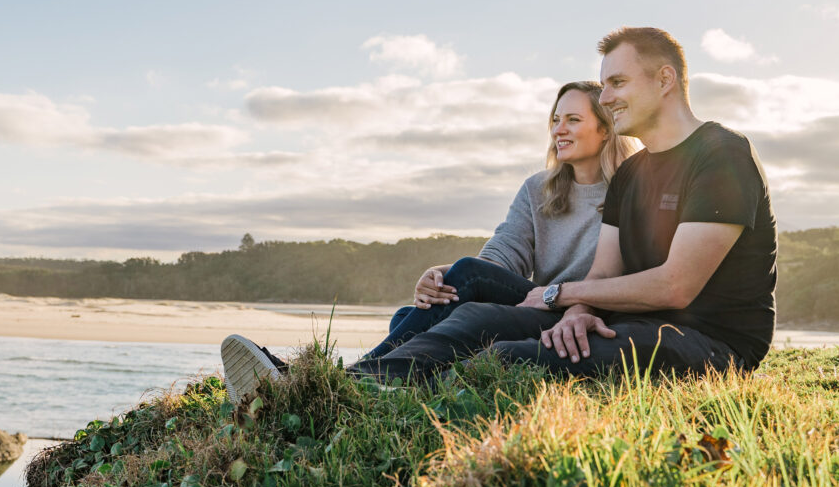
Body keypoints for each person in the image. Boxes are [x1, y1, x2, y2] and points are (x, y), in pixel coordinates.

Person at [221, 27, 777, 401]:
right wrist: (579, 307)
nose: (606, 97)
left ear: (665, 79)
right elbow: (603, 275)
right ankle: (325, 389)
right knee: (472, 320)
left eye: (616, 82)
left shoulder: (720, 154)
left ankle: (369, 399)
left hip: (713, 346)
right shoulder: (633, 176)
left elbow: (677, 286)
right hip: (637, 320)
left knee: (509, 356)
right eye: (603, 83)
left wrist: (560, 298)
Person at [360, 80, 638, 360]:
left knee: (440, 299)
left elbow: (477, 274)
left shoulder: (631, 189)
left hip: (587, 312)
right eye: (555, 120)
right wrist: (440, 275)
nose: (558, 130)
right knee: (405, 316)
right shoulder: (538, 189)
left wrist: (464, 271)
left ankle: (363, 371)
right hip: (538, 302)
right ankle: (394, 376)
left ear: (605, 129)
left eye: (573, 120)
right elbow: (501, 260)